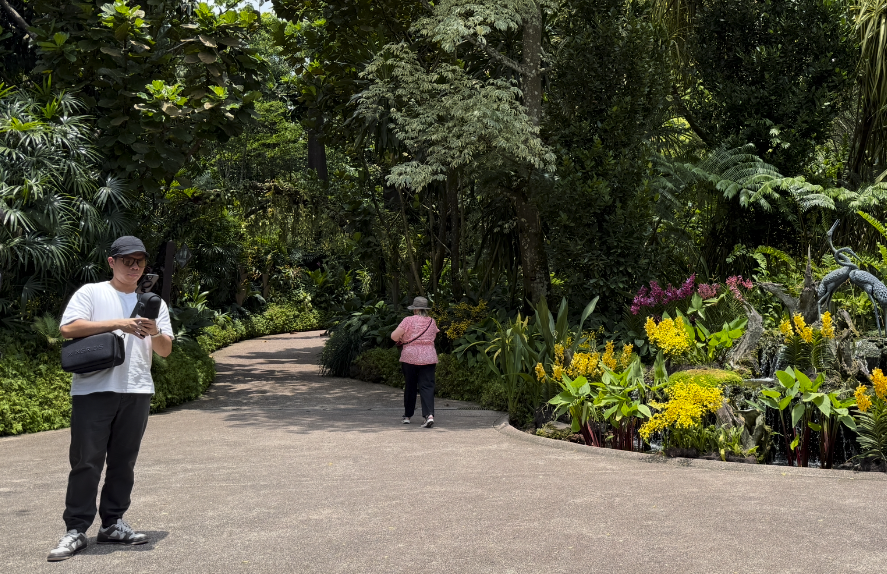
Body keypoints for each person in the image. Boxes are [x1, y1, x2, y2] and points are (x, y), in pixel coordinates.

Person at [47, 236, 174, 562]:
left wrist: (153, 331)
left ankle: (113, 523)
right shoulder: (92, 293)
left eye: (140, 261)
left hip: (137, 390)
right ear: (112, 262)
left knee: (123, 461)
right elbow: (68, 328)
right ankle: (76, 529)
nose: (134, 266)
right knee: (86, 461)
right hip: (93, 389)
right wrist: (120, 323)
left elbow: (165, 350)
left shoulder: (154, 303)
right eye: (127, 260)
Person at [391, 296, 439, 428]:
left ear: (415, 309)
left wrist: (403, 338)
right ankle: (429, 415)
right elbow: (433, 336)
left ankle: (407, 416)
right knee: (427, 386)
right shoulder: (432, 321)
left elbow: (394, 336)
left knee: (410, 386)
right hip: (428, 357)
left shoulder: (408, 320)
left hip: (410, 357)